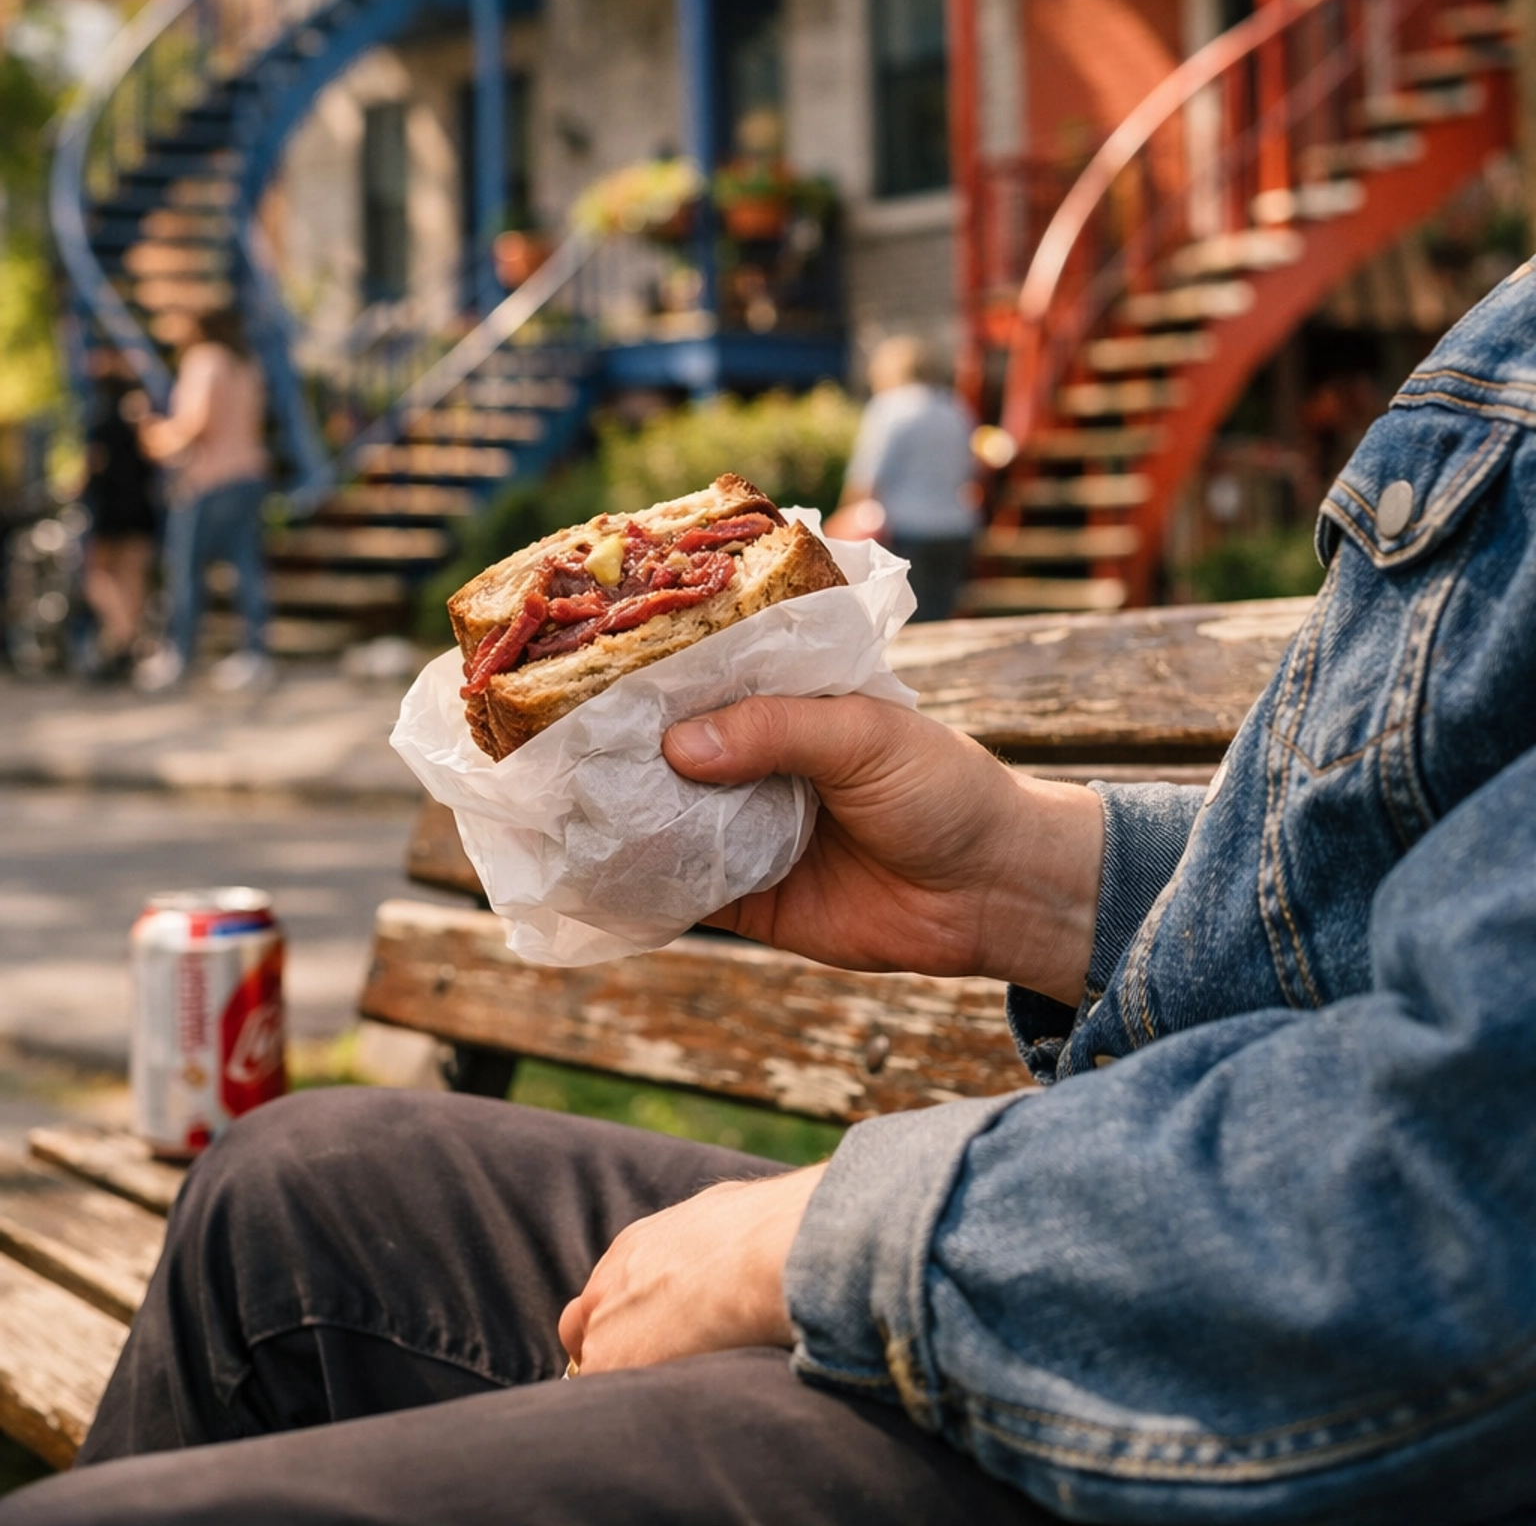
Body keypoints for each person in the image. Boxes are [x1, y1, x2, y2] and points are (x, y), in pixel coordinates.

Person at [9, 263, 1536, 1525]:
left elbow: (1470, 1201)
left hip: (1287, 1425)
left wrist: (807, 1241)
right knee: (289, 1188)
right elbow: (1400, 936)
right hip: (1155, 1234)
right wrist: (1028, 881)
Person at [133, 306, 273, 695]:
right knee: (246, 568)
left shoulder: (204, 360)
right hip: (248, 475)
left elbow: (195, 424)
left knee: (185, 571)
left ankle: (180, 655)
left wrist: (155, 435)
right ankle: (255, 654)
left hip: (208, 481)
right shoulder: (246, 363)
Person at [838, 332, 979, 619]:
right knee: (941, 613)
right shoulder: (956, 408)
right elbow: (970, 471)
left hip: (907, 529)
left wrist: (844, 516)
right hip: (956, 526)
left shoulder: (890, 407)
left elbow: (865, 479)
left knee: (904, 617)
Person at [77, 349, 160, 681]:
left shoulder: (101, 416)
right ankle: (125, 641)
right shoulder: (141, 412)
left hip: (113, 506)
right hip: (140, 504)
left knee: (96, 575)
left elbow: (93, 465)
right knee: (132, 578)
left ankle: (123, 637)